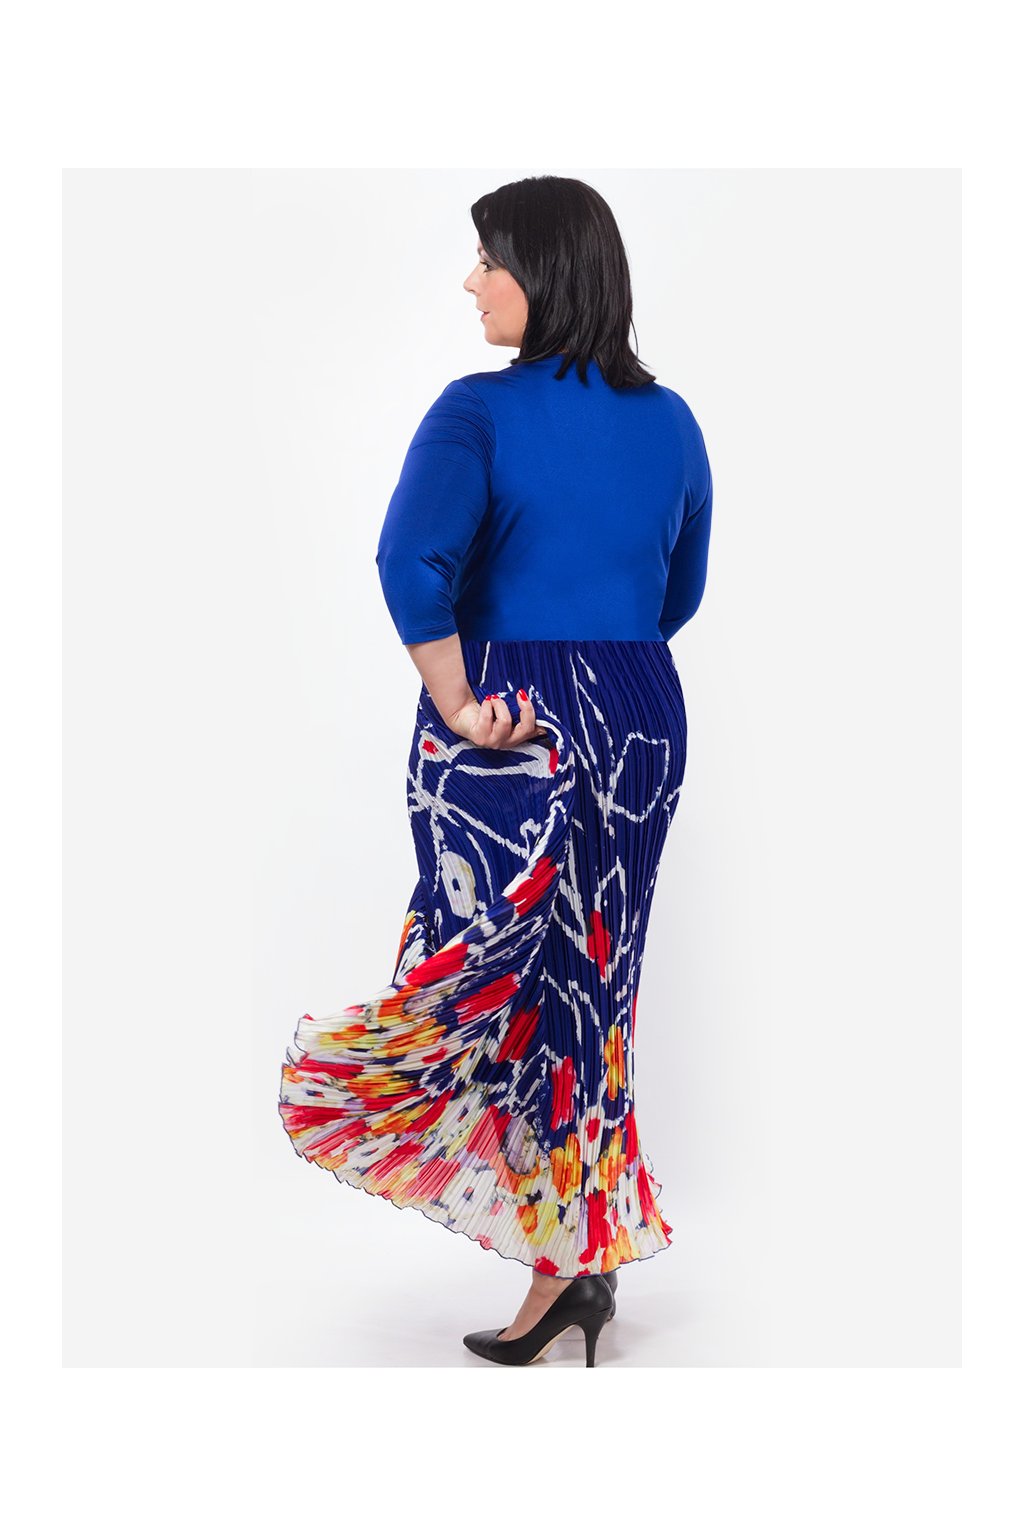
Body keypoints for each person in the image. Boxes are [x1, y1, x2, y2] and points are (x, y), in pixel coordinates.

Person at [279, 174, 713, 1368]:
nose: (471, 282)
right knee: (593, 988)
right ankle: (577, 1259)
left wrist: (462, 701)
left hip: (511, 718)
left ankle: (563, 1262)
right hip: (636, 714)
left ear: (545, 271)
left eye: (488, 258)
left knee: (486, 976)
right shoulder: (672, 420)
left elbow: (407, 560)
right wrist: (602, 669)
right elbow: (678, 592)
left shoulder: (476, 410)